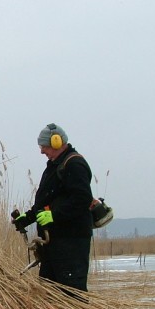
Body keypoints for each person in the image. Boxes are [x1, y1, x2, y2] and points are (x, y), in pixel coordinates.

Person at [12, 123, 94, 293]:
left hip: (71, 243)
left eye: (44, 146)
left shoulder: (74, 164)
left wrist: (54, 215)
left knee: (72, 293)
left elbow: (82, 199)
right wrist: (27, 218)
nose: (42, 151)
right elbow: (45, 201)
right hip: (53, 243)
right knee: (50, 292)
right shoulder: (54, 166)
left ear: (57, 142)